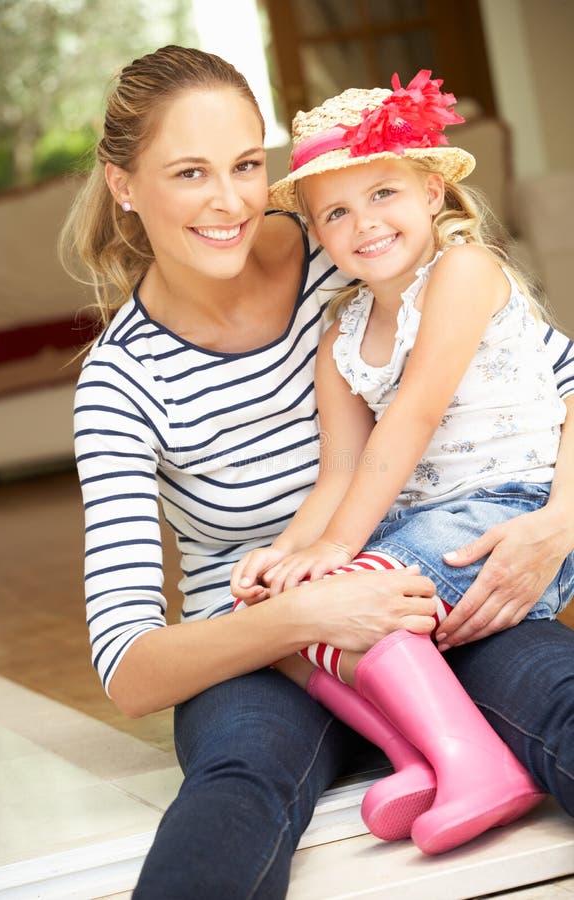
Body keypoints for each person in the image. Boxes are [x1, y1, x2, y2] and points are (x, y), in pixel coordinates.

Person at [60, 45, 574, 897]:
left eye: (244, 165)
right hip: (275, 657)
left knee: (562, 697)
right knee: (240, 783)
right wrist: (309, 611)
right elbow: (129, 664)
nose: (229, 202)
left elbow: (558, 378)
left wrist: (560, 520)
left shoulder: (351, 235)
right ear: (124, 183)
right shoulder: (120, 381)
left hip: (435, 591)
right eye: (190, 172)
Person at [230, 71, 574, 854]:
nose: (365, 223)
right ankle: (421, 758)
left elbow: (414, 417)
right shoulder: (342, 335)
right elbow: (340, 473)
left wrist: (337, 552)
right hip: (426, 525)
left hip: (509, 511)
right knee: (274, 622)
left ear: (430, 192)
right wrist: (286, 558)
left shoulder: (464, 272)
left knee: (344, 591)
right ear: (318, 233)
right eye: (338, 213)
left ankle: (480, 766)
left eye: (384, 194)